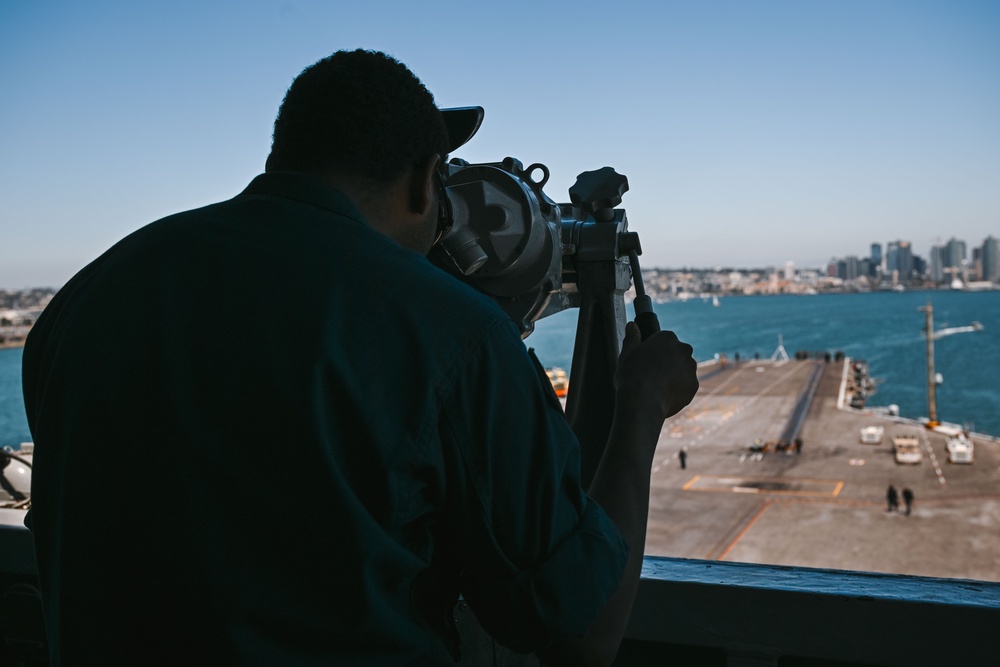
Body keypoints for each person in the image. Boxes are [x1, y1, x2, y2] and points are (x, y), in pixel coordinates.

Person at [22, 49, 699, 666]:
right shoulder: (451, 333)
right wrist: (639, 407)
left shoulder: (82, 304)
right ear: (423, 182)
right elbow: (581, 636)